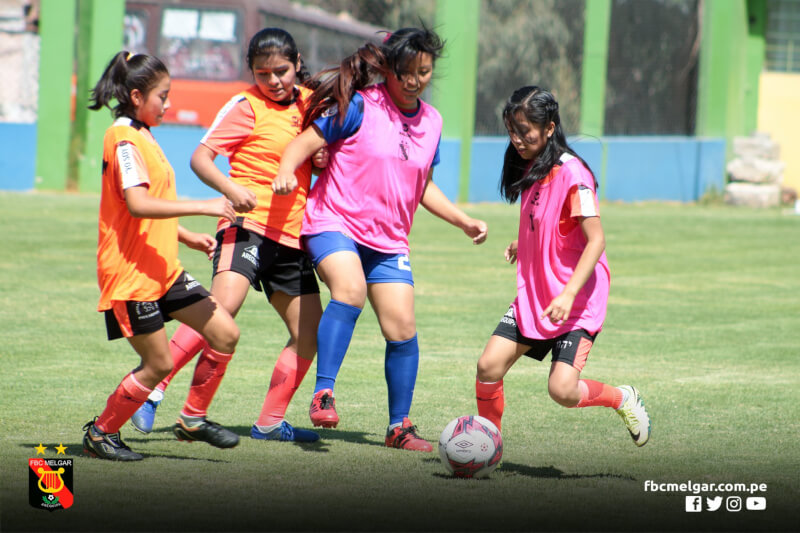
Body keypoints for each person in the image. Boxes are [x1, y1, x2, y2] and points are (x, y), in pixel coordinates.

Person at [273, 27, 488, 452]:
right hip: (334, 222)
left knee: (402, 327)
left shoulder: (433, 122)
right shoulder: (359, 105)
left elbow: (422, 184)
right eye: (406, 71)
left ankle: (399, 427)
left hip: (388, 240)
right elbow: (307, 141)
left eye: (423, 72)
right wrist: (285, 168)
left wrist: (462, 220)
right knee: (349, 290)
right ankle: (323, 393)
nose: (414, 80)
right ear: (388, 68)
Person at [130, 28, 325, 443]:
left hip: (292, 238)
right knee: (220, 312)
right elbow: (201, 158)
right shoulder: (245, 105)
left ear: (297, 63)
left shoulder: (312, 104)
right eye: (262, 73)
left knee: (310, 333)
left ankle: (270, 422)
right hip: (246, 227)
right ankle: (152, 391)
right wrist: (232, 190)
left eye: (281, 71)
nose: (273, 81)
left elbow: (322, 154)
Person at [83, 51, 241, 461]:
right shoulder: (123, 138)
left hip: (162, 267)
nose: (168, 104)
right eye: (162, 96)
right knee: (158, 364)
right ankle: (101, 433)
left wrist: (185, 236)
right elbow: (136, 203)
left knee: (224, 333)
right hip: (131, 275)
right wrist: (204, 206)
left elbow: (151, 205)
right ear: (137, 96)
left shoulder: (142, 132)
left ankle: (192, 419)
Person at [474, 86, 651, 447]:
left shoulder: (576, 175)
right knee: (488, 366)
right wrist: (522, 245)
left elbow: (596, 240)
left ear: (550, 128)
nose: (518, 139)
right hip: (538, 295)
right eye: (512, 130)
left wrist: (569, 295)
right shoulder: (531, 164)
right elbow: (546, 222)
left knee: (562, 390)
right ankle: (487, 447)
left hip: (576, 300)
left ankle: (622, 399)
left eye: (525, 131)